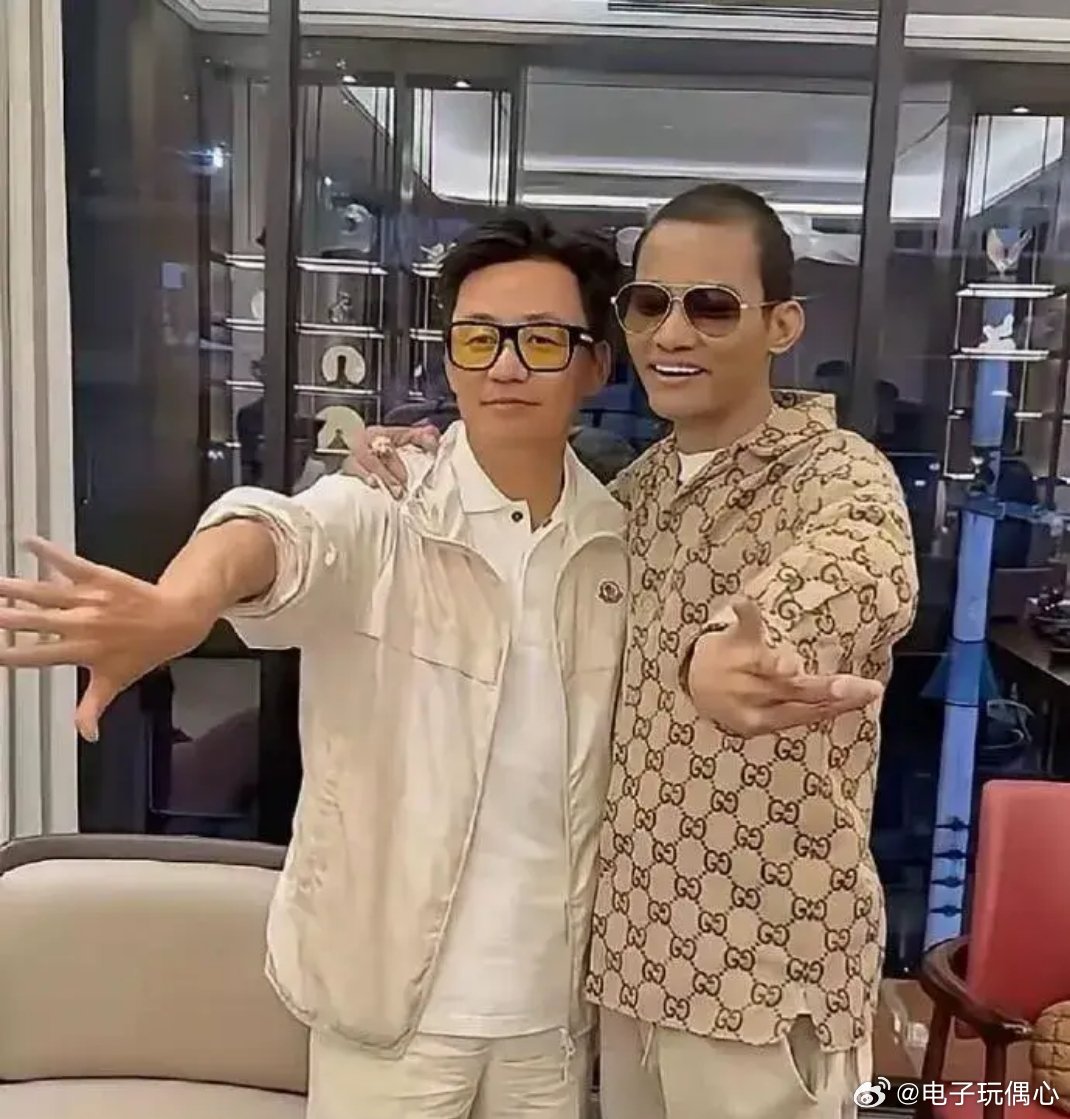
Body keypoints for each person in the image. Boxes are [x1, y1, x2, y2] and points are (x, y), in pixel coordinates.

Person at [0, 212, 633, 1119]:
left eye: (540, 340)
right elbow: (273, 531)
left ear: (593, 365)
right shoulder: (385, 508)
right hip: (391, 1013)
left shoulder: (614, 543)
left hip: (550, 1022)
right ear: (451, 357)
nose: (504, 366)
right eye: (478, 338)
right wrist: (182, 603)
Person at [347, 183, 919, 1119]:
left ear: (781, 324)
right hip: (628, 970)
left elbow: (859, 569)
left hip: (763, 983)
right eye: (650, 304)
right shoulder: (631, 499)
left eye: (712, 306)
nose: (673, 333)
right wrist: (400, 458)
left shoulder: (838, 474)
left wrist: (742, 648)